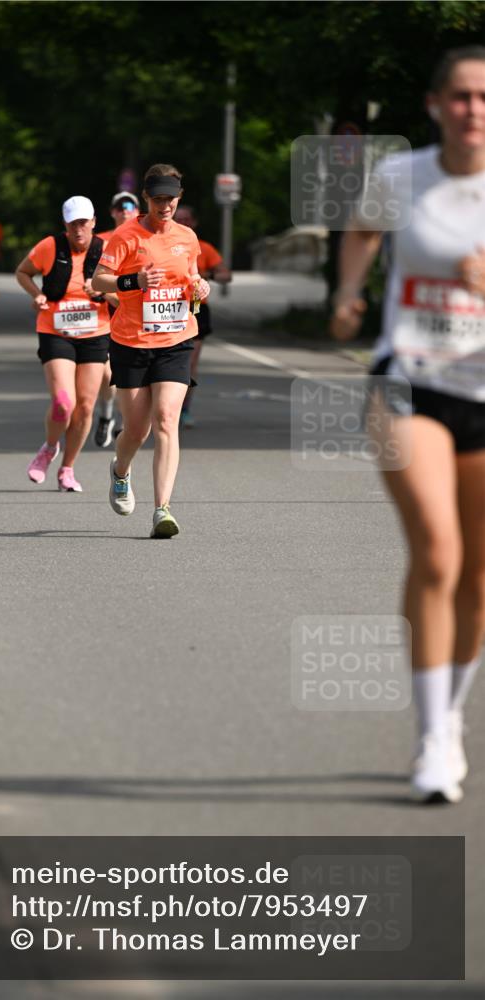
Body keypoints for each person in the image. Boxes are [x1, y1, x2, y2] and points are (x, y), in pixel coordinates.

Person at [330, 46, 485, 804]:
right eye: (459, 96)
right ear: (434, 105)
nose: (473, 109)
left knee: (478, 576)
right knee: (436, 549)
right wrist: (349, 294)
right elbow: (361, 230)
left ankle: (449, 720)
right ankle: (430, 741)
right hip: (406, 381)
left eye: (484, 97)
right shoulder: (401, 177)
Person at [92, 163, 210, 537]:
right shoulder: (127, 236)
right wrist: (135, 280)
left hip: (176, 340)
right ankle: (121, 471)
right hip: (131, 342)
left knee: (165, 419)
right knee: (137, 430)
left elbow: (189, 277)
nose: (165, 206)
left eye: (170, 200)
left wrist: (199, 288)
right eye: (158, 199)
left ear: (179, 197)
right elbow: (98, 280)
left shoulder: (188, 237)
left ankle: (162, 509)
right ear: (146, 198)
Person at [15, 196, 112, 492]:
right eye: (73, 224)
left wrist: (100, 291)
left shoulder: (107, 252)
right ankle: (49, 447)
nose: (78, 229)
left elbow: (125, 298)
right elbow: (22, 272)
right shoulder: (50, 246)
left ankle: (67, 469)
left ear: (94, 222)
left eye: (83, 223)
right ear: (65, 225)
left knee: (85, 407)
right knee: (63, 402)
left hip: (96, 332)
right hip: (55, 330)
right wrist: (37, 294)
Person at [174, 205, 232, 427]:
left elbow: (226, 275)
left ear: (195, 223)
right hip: (167, 306)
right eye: (180, 220)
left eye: (187, 219)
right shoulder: (163, 244)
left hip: (196, 307)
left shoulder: (204, 248)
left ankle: (184, 409)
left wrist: (209, 274)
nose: (184, 223)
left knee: (189, 362)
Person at [93, 191, 140, 447]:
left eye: (130, 207)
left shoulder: (145, 238)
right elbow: (94, 280)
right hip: (106, 315)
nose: (125, 211)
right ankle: (107, 415)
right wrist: (115, 298)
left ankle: (124, 422)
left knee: (128, 374)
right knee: (107, 374)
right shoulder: (100, 241)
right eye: (120, 207)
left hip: (136, 316)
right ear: (113, 212)